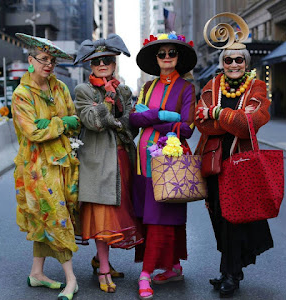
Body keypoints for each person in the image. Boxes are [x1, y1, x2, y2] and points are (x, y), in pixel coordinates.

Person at [195, 13, 274, 297]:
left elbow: (249, 124)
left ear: (246, 63)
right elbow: (199, 120)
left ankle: (230, 273)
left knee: (234, 218)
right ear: (222, 63)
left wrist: (217, 112)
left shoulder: (257, 87)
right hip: (214, 162)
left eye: (239, 59)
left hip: (241, 163)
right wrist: (230, 117)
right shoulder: (211, 85)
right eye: (228, 60)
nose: (233, 64)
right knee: (218, 217)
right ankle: (230, 267)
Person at [12, 33, 80, 300]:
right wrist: (61, 123)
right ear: (31, 61)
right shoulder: (21, 94)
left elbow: (74, 117)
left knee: (45, 218)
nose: (48, 64)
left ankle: (37, 273)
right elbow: (33, 132)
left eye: (52, 60)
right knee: (56, 216)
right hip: (36, 167)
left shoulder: (60, 88)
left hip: (63, 162)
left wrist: (54, 123)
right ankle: (71, 279)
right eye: (43, 59)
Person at [73, 34, 143, 293]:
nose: (102, 64)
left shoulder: (124, 90)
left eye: (107, 60)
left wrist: (113, 118)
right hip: (96, 163)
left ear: (114, 63)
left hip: (123, 160)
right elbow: (92, 122)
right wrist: (107, 105)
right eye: (96, 61)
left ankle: (100, 261)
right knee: (102, 219)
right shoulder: (83, 91)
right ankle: (103, 270)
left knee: (116, 218)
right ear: (90, 66)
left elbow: (127, 126)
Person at [129, 33, 197, 300]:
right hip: (142, 162)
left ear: (179, 57)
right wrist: (162, 115)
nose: (167, 57)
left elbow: (187, 128)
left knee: (161, 217)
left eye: (172, 53)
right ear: (155, 59)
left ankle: (146, 273)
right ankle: (173, 267)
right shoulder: (146, 87)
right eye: (162, 54)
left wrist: (152, 118)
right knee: (149, 216)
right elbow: (134, 120)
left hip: (169, 161)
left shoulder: (187, 88)